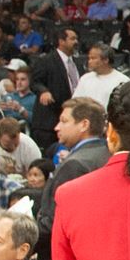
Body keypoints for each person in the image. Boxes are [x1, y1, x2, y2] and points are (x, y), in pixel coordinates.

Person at [33, 97, 108, 241]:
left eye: (64, 121)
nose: (57, 127)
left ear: (84, 124)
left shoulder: (75, 164)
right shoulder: (105, 153)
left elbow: (55, 222)